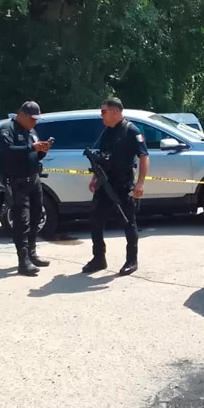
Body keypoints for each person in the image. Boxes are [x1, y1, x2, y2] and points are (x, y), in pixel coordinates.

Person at [84, 97, 149, 276]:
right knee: (95, 219)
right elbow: (101, 157)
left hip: (123, 183)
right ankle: (98, 259)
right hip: (104, 183)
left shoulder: (132, 131)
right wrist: (94, 177)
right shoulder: (107, 131)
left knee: (128, 222)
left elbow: (144, 156)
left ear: (115, 112)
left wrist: (140, 183)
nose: (101, 115)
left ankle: (131, 260)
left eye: (103, 111)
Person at [0, 101, 53, 276]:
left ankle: (32, 253)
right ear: (22, 115)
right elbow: (8, 152)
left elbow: (34, 154)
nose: (35, 123)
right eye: (32, 119)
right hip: (17, 181)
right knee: (22, 222)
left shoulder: (32, 131)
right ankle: (23, 261)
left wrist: (43, 150)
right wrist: (31, 147)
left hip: (34, 179)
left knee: (37, 217)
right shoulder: (6, 129)